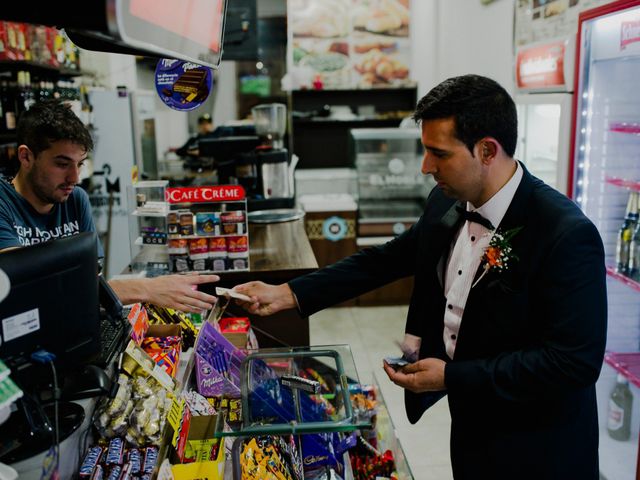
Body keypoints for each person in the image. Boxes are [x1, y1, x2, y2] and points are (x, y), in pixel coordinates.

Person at [232, 75, 607, 479]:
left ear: (486, 150)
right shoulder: (446, 202)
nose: (425, 167)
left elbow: (572, 363)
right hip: (470, 426)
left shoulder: (566, 234)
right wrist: (290, 293)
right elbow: (387, 259)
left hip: (541, 446)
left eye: (438, 153)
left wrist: (451, 376)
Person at [0, 100, 219, 313]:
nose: (74, 177)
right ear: (26, 157)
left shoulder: (76, 199)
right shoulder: (3, 203)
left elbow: (90, 278)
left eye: (80, 164)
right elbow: (24, 289)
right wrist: (144, 288)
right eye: (62, 164)